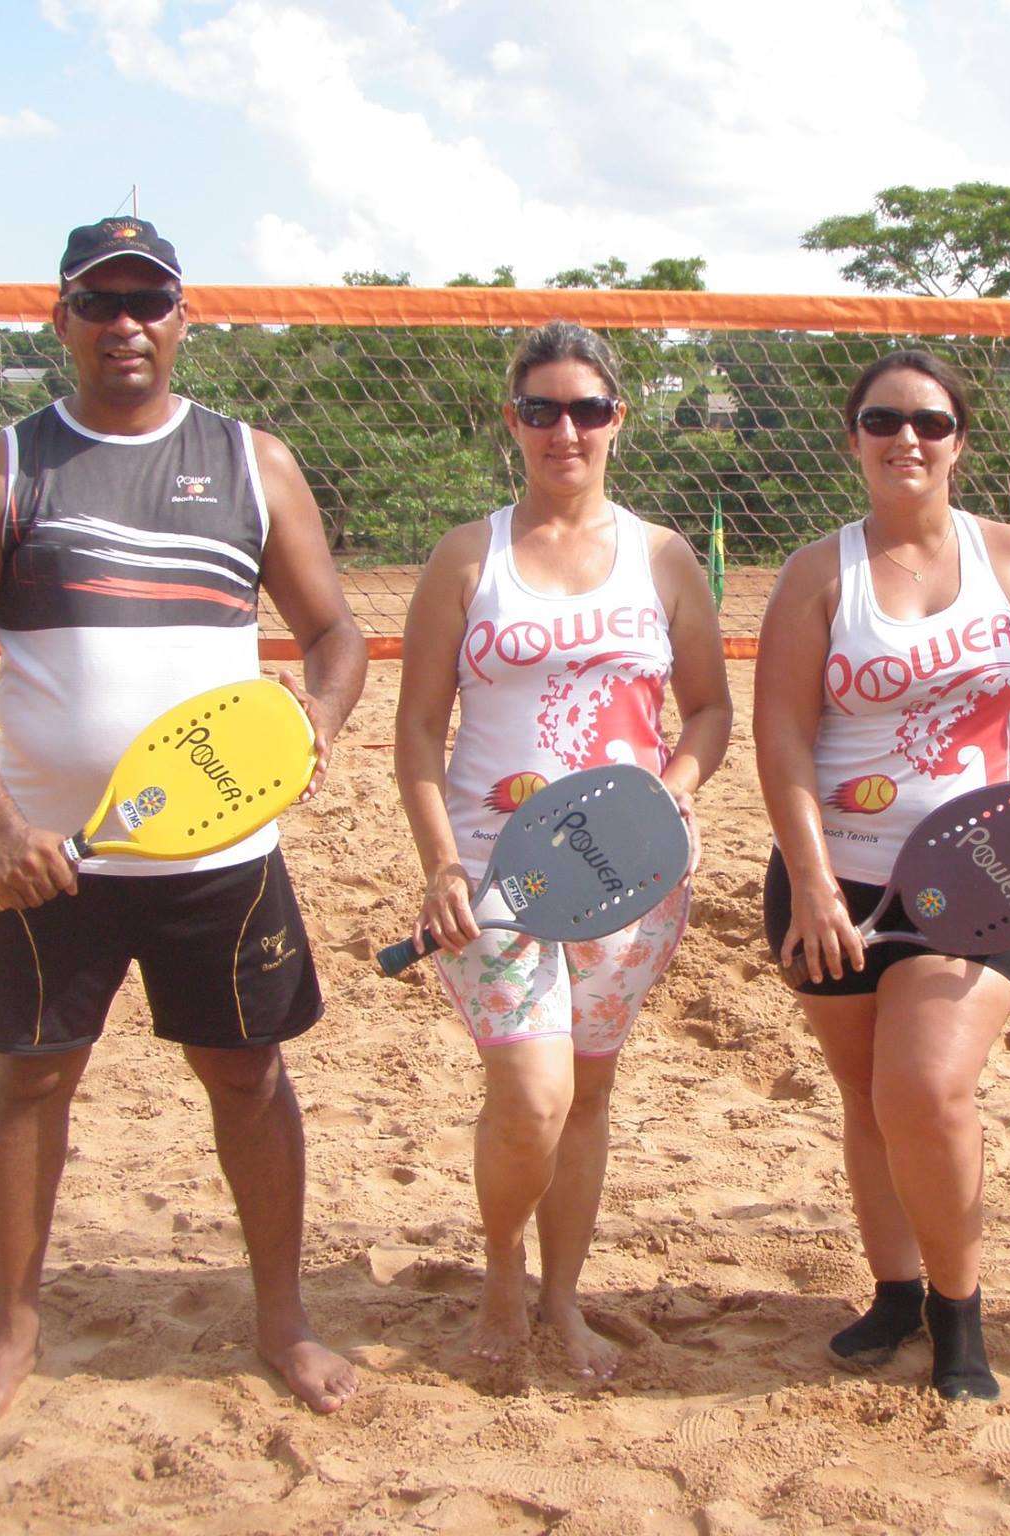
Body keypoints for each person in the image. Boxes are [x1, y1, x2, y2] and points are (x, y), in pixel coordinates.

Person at [0, 217, 368, 1433]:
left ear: (181, 317)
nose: (124, 325)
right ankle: (12, 1327)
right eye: (98, 303)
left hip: (223, 851)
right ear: (59, 320)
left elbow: (336, 634)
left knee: (246, 1073)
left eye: (146, 302)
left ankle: (281, 1320)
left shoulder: (251, 462)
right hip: (51, 857)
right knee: (35, 1075)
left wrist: (312, 723)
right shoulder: (0, 470)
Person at [754, 350, 1010, 1400]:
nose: (907, 437)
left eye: (930, 421)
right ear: (850, 438)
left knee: (925, 1087)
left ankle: (960, 1315)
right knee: (867, 1099)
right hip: (836, 881)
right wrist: (813, 883)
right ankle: (895, 1292)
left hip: (981, 871)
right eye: (882, 419)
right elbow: (779, 734)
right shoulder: (819, 573)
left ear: (959, 439)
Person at [393, 320, 731, 1378]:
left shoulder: (663, 557)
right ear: (513, 422)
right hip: (492, 870)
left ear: (616, 421)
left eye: (586, 408)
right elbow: (414, 729)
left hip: (625, 874)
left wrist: (672, 795)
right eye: (540, 409)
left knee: (585, 1095)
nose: (564, 429)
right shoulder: (468, 554)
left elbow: (713, 712)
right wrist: (440, 862)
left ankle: (564, 1301)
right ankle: (501, 1272)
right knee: (530, 1094)